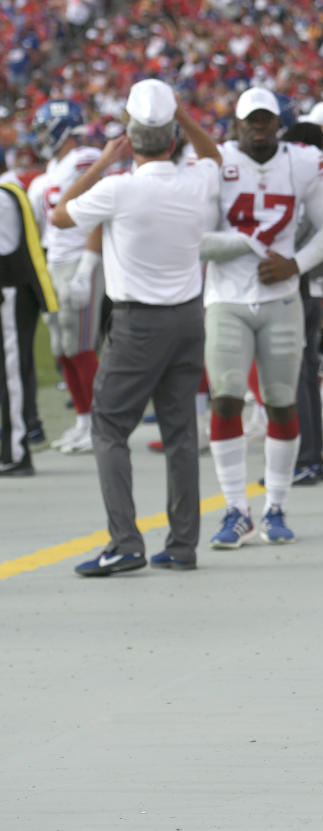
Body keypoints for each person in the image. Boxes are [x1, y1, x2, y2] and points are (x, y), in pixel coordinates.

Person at [50, 79, 221, 575]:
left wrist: (104, 159)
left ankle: (125, 541)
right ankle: (183, 544)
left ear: (130, 135)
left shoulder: (119, 187)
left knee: (107, 426)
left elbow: (60, 216)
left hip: (138, 321)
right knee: (181, 430)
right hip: (189, 316)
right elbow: (214, 157)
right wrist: (184, 115)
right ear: (172, 139)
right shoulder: (194, 179)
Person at [200, 87, 323, 549]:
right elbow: (196, 239)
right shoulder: (216, 163)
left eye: (266, 120)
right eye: (250, 121)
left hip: (281, 296)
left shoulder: (300, 163)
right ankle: (234, 508)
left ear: (277, 124)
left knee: (281, 400)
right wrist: (250, 244)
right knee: (226, 397)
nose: (258, 128)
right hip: (226, 296)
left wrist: (296, 264)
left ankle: (276, 506)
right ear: (237, 125)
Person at [26, 100, 104, 454]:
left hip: (78, 261)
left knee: (81, 346)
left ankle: (99, 425)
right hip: (54, 264)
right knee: (62, 349)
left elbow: (98, 213)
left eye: (46, 128)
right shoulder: (49, 173)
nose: (41, 136)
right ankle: (83, 421)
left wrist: (88, 266)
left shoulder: (84, 159)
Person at [280, 119, 323, 484]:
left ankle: (305, 458)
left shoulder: (300, 179)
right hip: (316, 285)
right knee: (306, 377)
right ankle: (312, 457)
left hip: (297, 286)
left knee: (296, 378)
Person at [0, 178, 57, 476]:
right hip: (11, 291)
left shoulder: (4, 195)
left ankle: (17, 451)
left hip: (9, 294)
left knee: (13, 375)